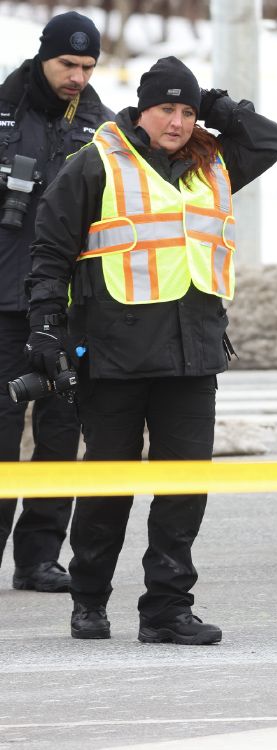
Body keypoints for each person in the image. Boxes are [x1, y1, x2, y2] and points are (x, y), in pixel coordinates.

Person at [24, 56, 277, 643]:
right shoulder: (96, 162)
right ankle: (89, 599)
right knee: (109, 486)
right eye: (167, 108)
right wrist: (45, 324)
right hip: (114, 353)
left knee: (185, 487)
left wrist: (216, 106)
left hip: (192, 354)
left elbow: (270, 139)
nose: (177, 121)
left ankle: (167, 608)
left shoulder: (211, 164)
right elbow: (50, 249)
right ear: (142, 109)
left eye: (188, 111)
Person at [0, 11, 113, 593]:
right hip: (3, 302)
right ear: (43, 56)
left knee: (60, 433)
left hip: (69, 307)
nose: (78, 76)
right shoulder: (3, 110)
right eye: (68, 64)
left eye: (88, 66)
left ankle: (39, 558)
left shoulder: (102, 127)